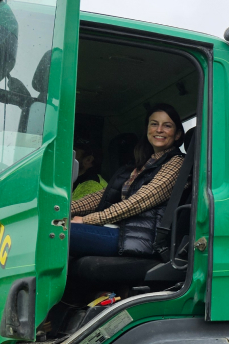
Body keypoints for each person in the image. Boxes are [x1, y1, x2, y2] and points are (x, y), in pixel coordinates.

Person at [68, 104, 185, 258]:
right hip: (121, 231)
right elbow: (102, 196)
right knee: (52, 225)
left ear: (177, 134)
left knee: (54, 234)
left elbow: (138, 202)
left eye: (167, 126)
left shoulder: (176, 163)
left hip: (138, 239)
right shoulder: (142, 164)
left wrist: (87, 220)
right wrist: (63, 208)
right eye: (154, 124)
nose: (159, 130)